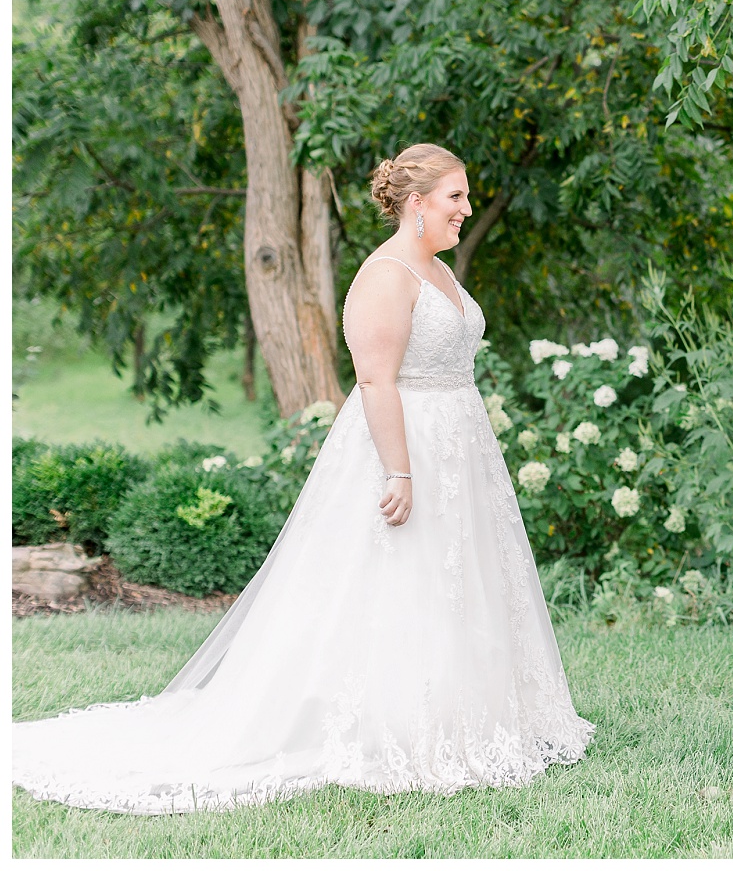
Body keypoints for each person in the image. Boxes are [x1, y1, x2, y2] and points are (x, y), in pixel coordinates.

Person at [13, 144, 594, 814]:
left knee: (458, 578)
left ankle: (472, 714)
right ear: (416, 203)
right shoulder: (385, 274)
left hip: (461, 445)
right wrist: (399, 469)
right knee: (400, 577)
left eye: (464, 197)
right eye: (456, 196)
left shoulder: (436, 269)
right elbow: (376, 379)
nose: (466, 207)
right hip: (404, 442)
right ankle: (394, 720)